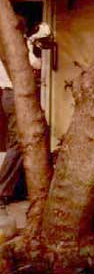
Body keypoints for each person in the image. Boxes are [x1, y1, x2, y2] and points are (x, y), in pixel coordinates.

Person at [0, 18, 45, 205]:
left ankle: (15, 188)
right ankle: (3, 190)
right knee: (19, 143)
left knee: (17, 142)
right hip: (16, 95)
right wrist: (32, 44)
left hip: (8, 96)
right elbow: (37, 65)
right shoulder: (16, 47)